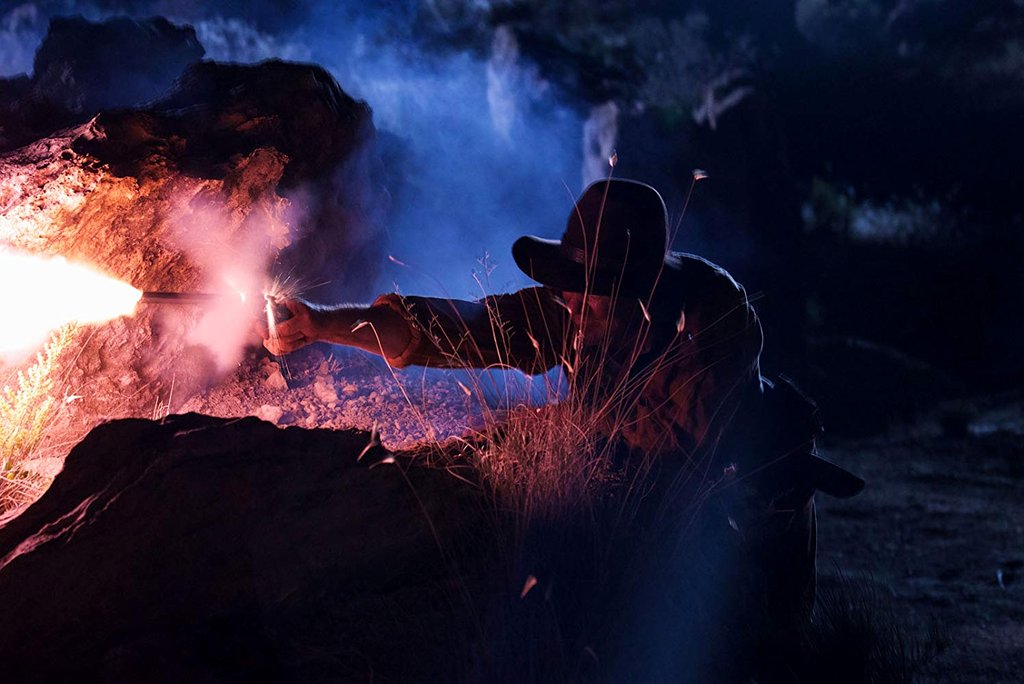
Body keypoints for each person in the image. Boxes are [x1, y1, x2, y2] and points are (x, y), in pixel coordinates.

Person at [262, 178, 863, 621]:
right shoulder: (583, 302)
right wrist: (320, 322)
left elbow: (661, 461)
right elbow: (468, 328)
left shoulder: (713, 328)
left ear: (640, 295)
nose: (571, 303)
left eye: (593, 292)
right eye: (571, 287)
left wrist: (518, 442)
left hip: (742, 521)